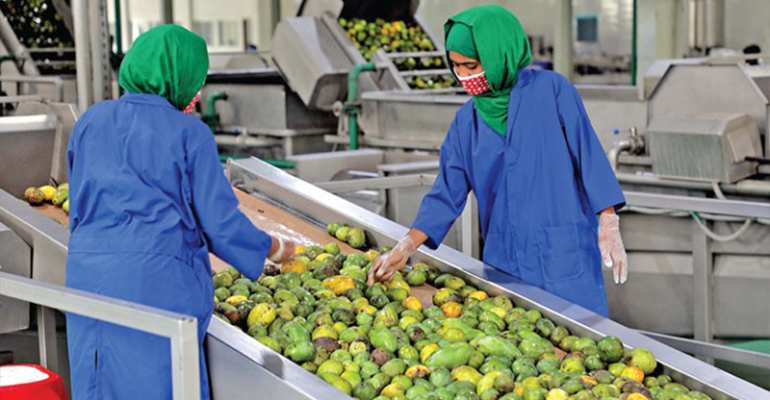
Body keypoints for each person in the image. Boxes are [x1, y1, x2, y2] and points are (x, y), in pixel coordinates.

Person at [65, 25, 295, 400]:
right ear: (179, 75)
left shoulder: (90, 120)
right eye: (196, 79)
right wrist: (272, 248)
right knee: (161, 384)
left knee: (99, 378)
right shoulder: (190, 133)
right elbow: (219, 224)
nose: (198, 92)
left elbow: (81, 205)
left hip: (86, 275)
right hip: (154, 283)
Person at [368, 5, 628, 317]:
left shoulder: (553, 92)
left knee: (581, 350)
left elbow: (589, 156)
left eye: (470, 65)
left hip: (564, 252)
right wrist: (405, 247)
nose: (463, 76)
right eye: (456, 67)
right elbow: (445, 195)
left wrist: (608, 219)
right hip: (505, 260)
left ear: (497, 54)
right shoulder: (467, 122)